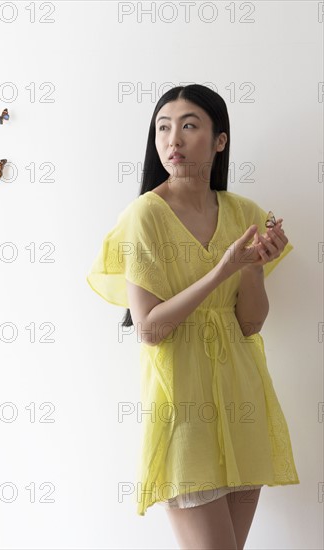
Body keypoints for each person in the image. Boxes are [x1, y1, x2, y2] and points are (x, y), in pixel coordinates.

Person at [86, 84, 299, 550]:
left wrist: (253, 267)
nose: (173, 140)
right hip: (182, 405)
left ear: (220, 140)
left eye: (188, 125)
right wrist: (222, 269)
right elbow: (150, 328)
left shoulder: (245, 212)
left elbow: (250, 324)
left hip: (244, 398)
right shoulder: (146, 215)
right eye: (163, 127)